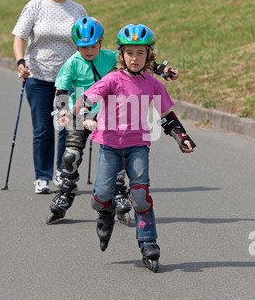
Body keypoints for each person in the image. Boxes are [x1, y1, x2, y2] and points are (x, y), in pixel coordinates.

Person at [75, 23, 196, 273]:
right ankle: (105, 214)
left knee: (140, 195)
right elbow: (85, 100)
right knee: (99, 199)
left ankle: (148, 242)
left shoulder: (153, 84)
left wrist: (181, 136)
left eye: (141, 53)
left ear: (149, 55)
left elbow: (166, 115)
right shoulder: (112, 80)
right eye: (130, 52)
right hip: (109, 145)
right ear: (121, 54)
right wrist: (86, 115)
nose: (135, 58)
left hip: (137, 145)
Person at [46, 17, 180, 226]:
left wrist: (163, 70)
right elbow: (61, 90)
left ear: (100, 42)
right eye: (83, 47)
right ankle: (66, 192)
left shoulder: (109, 57)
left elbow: (137, 62)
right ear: (76, 46)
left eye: (93, 46)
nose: (89, 51)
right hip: (81, 112)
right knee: (71, 155)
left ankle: (119, 192)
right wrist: (63, 111)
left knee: (117, 155)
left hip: (109, 114)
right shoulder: (72, 62)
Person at [12, 0, 87, 194]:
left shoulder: (78, 11)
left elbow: (86, 43)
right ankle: (42, 177)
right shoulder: (35, 6)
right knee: (43, 129)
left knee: (66, 129)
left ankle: (62, 172)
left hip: (68, 81)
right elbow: (19, 37)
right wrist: (20, 62)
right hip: (38, 77)